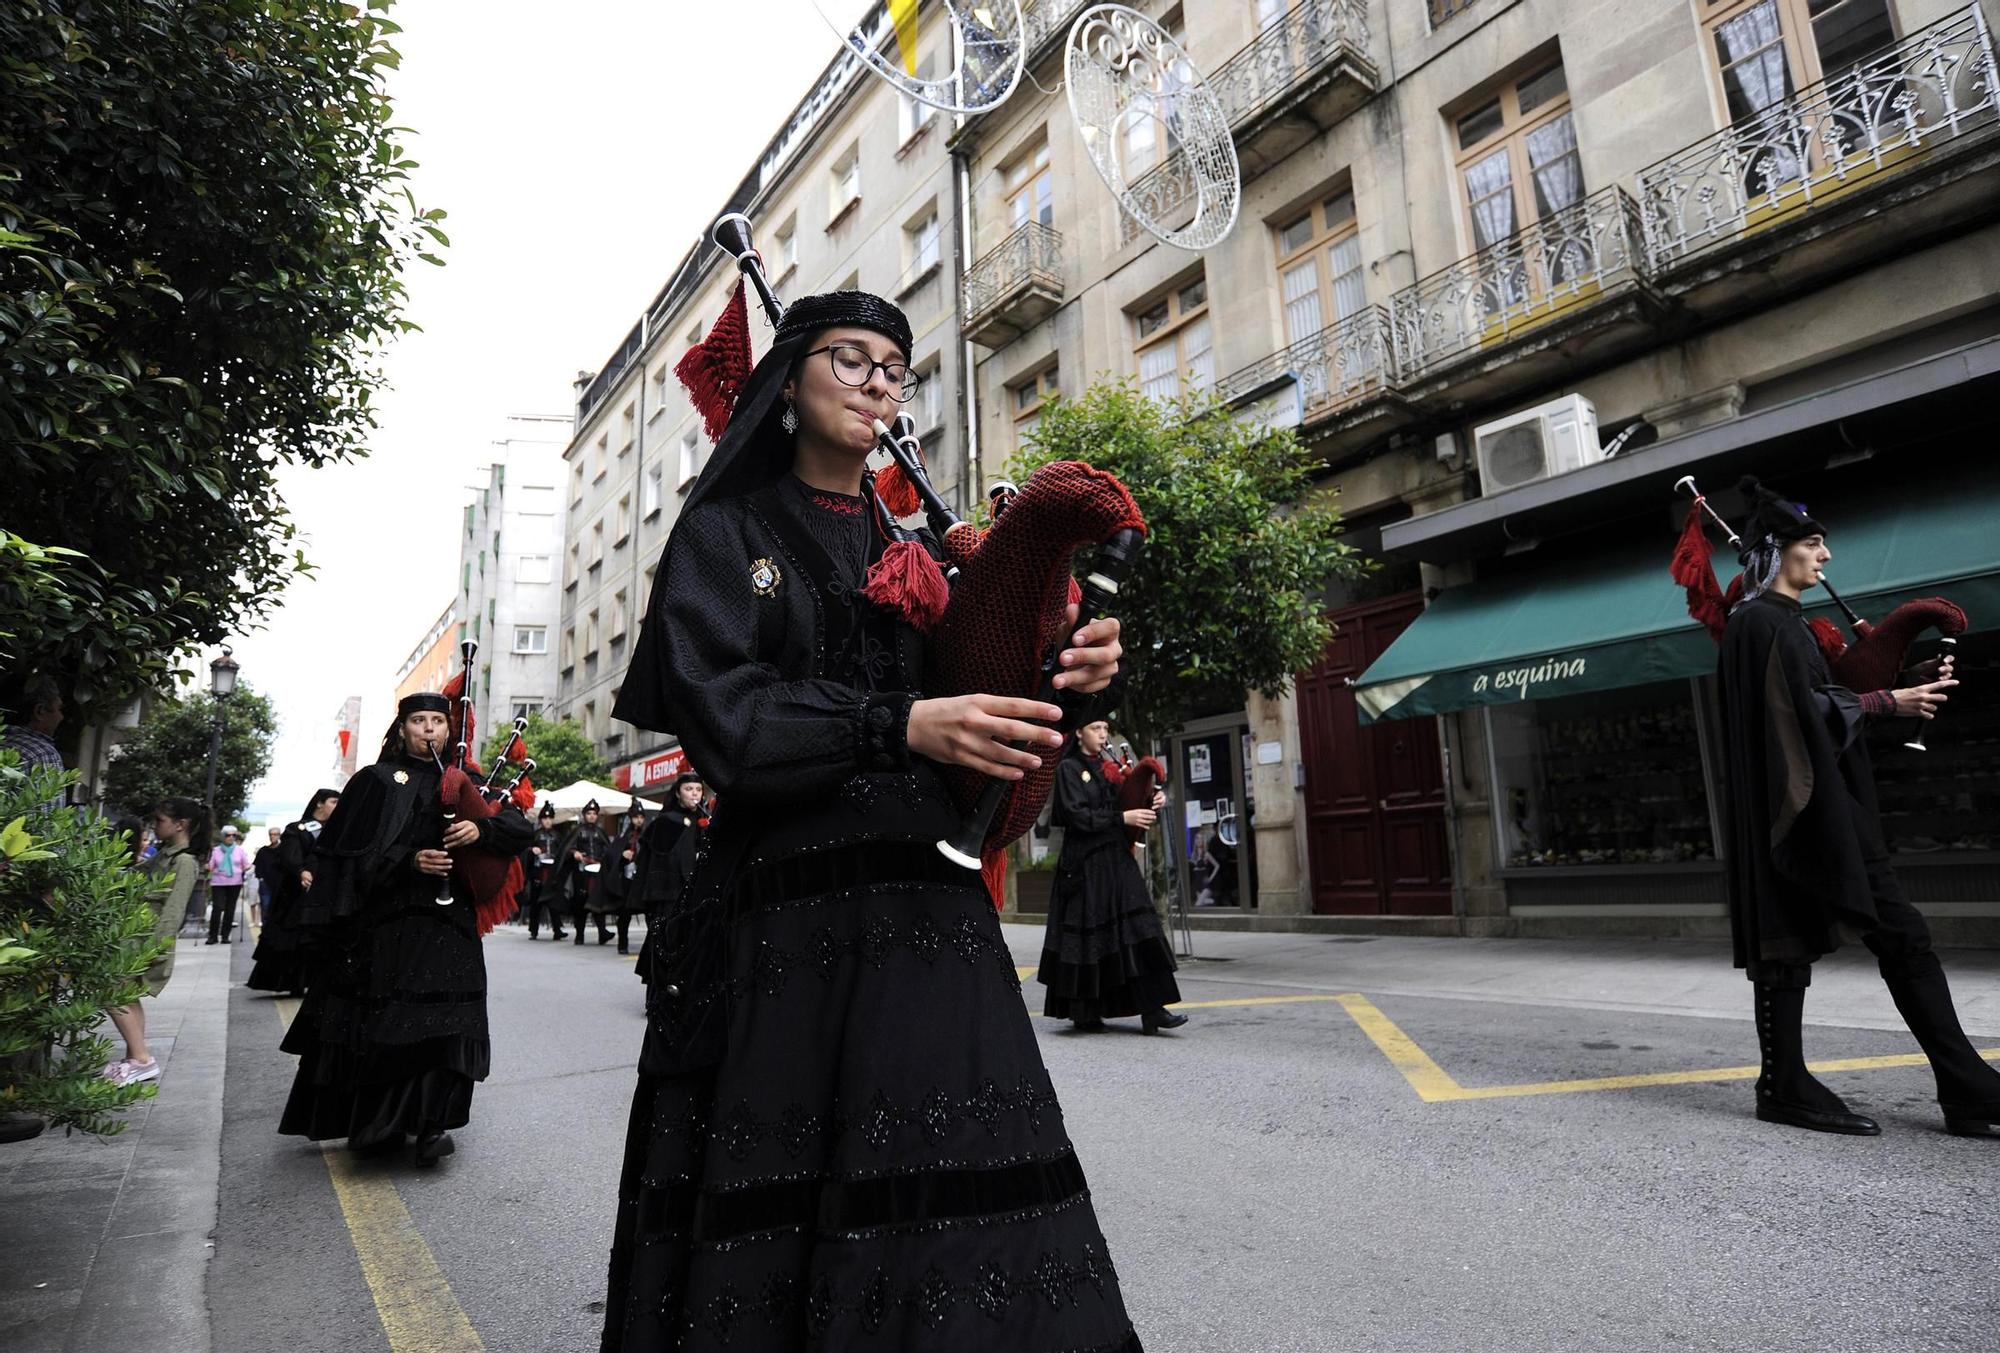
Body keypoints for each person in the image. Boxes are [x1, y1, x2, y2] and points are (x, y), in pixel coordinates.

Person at [599, 288, 1142, 1351]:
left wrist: (1071, 676)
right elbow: (732, 721)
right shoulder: (723, 535)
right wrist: (900, 723)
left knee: (960, 1187)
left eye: (893, 365)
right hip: (784, 927)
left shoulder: (929, 550)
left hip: (931, 920)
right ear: (788, 382)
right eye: (849, 358)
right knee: (797, 1197)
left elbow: (988, 702)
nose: (878, 380)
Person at [1717, 479, 1998, 1138]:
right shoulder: (1758, 623)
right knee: (1860, 936)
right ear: (1777, 550)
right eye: (1813, 543)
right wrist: (1884, 705)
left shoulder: (1780, 624)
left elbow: (1826, 700)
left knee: (1871, 937)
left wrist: (1897, 676)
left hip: (1829, 800)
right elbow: (1797, 713)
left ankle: (1951, 1084)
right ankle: (1792, 1084)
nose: (1826, 555)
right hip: (1809, 805)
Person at [277, 693, 532, 1165]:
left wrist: (482, 832)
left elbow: (519, 828)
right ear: (402, 728)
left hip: (451, 927)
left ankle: (433, 1126)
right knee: (392, 1025)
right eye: (419, 720)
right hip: (390, 927)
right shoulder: (373, 782)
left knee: (450, 1023)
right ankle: (382, 1125)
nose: (429, 729)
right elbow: (345, 859)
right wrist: (410, 860)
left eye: (438, 721)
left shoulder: (465, 779)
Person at [1039, 719, 1186, 1034]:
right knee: (1091, 936)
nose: (1103, 734)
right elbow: (1076, 816)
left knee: (1137, 928)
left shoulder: (1111, 765)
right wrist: (1123, 817)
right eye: (1095, 728)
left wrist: (1150, 800)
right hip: (1086, 865)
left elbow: (1128, 804)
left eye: (1105, 728)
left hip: (1117, 859)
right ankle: (1086, 1011)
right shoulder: (1068, 769)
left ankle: (1153, 1009)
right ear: (1079, 733)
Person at [101, 797, 206, 1089]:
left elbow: (174, 910)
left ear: (180, 824)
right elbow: (135, 877)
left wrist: (157, 948)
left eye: (160, 820)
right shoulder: (167, 855)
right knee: (125, 993)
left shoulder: (184, 861)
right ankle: (135, 1058)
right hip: (135, 933)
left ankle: (142, 1059)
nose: (155, 826)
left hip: (146, 938)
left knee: (113, 992)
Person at [246, 789, 338, 995]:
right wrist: (301, 871)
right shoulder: (298, 829)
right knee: (294, 941)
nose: (337, 806)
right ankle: (294, 983)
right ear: (320, 804)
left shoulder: (339, 831)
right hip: (296, 897)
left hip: (326, 896)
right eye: (333, 802)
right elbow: (289, 856)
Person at [2, 674, 67, 813]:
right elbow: (45, 826)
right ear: (40, 711)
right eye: (59, 709)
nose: (61, 717)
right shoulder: (41, 754)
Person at [553, 800, 614, 947]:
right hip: (581, 873)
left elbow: (608, 850)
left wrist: (604, 861)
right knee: (580, 903)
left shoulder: (601, 832)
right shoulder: (577, 831)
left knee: (598, 902)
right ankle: (579, 936)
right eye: (589, 813)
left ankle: (602, 933)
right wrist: (574, 853)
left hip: (597, 872)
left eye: (594, 813)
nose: (592, 816)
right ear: (584, 815)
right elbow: (567, 848)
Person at [594, 808, 647, 955]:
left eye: (641, 817)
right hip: (626, 881)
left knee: (650, 912)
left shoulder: (647, 835)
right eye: (636, 817)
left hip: (642, 880)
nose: (639, 820)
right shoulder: (623, 836)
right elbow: (611, 855)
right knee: (625, 914)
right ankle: (623, 943)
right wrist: (622, 855)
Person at [522, 803, 566, 940]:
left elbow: (563, 853)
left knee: (553, 902)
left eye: (550, 818)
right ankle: (534, 930)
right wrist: (531, 850)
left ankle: (557, 930)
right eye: (545, 818)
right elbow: (524, 850)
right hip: (538, 872)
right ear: (541, 820)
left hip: (552, 873)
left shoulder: (558, 836)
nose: (547, 821)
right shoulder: (534, 835)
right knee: (536, 903)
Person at [206, 824, 249, 944]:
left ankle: (225, 936)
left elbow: (246, 864)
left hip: (235, 882)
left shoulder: (239, 850)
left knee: (230, 909)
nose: (230, 837)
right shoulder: (215, 851)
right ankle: (212, 936)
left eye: (233, 835)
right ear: (223, 836)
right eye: (228, 835)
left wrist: (246, 868)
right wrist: (207, 867)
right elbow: (210, 865)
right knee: (217, 908)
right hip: (218, 882)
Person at [250, 826, 282, 928]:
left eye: (275, 834)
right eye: (271, 834)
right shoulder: (263, 851)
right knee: (265, 906)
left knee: (279, 907)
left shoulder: (284, 850)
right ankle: (266, 929)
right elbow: (257, 867)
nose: (273, 837)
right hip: (265, 884)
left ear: (279, 836)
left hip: (280, 884)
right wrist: (261, 878)